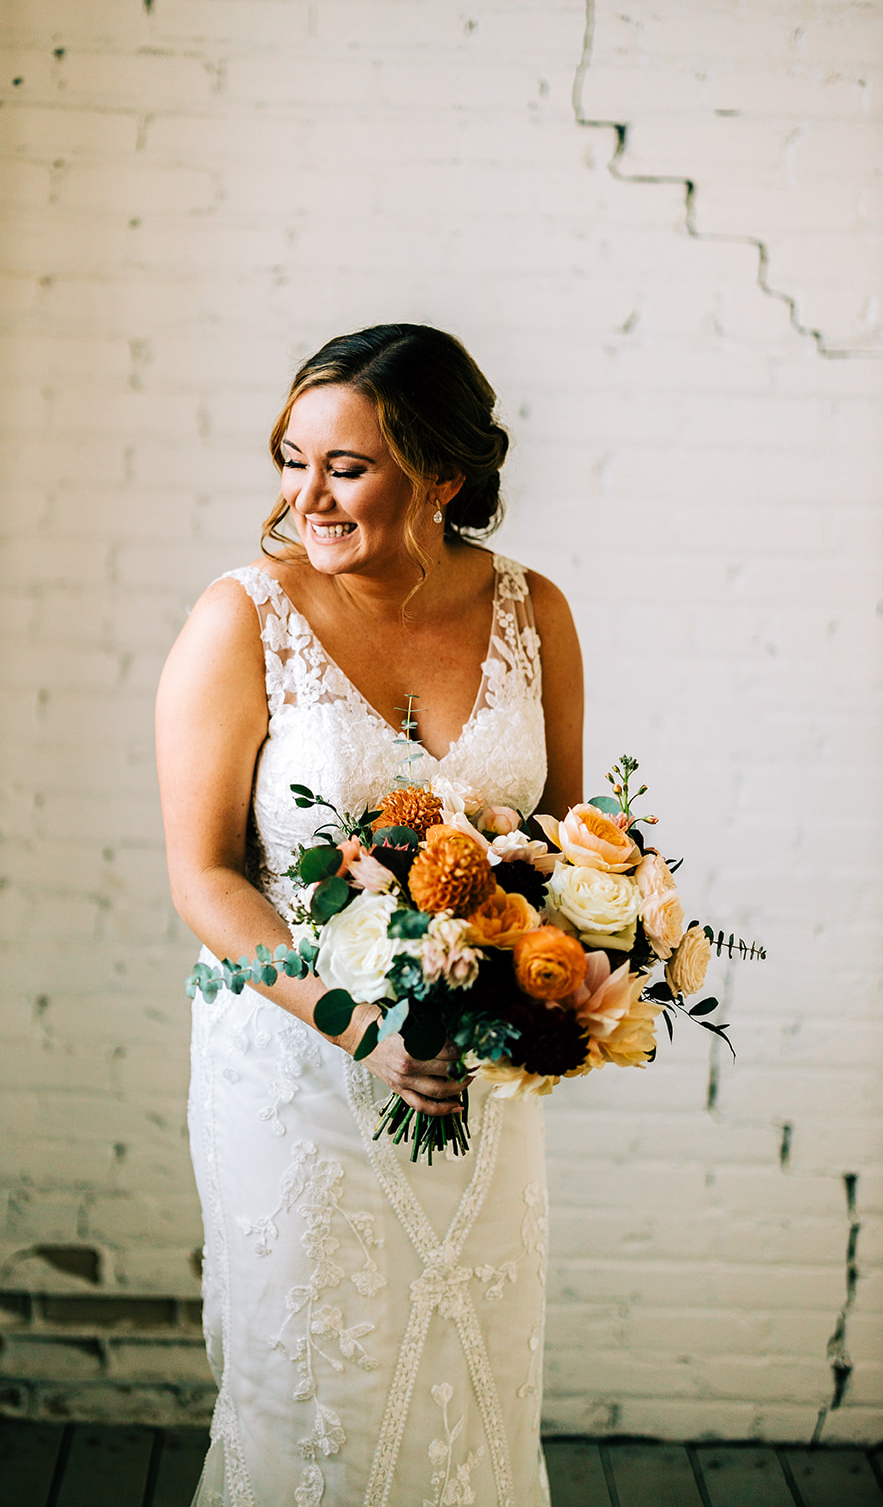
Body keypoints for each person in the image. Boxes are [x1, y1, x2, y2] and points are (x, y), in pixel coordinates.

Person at [156, 324, 583, 1506]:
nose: (304, 496)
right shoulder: (239, 619)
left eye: (344, 467)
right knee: (315, 1397)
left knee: (471, 1383)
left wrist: (572, 962)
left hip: (471, 1079)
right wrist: (361, 1028)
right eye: (291, 459)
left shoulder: (529, 610)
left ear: (440, 474)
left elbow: (560, 840)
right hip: (299, 1068)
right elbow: (205, 878)